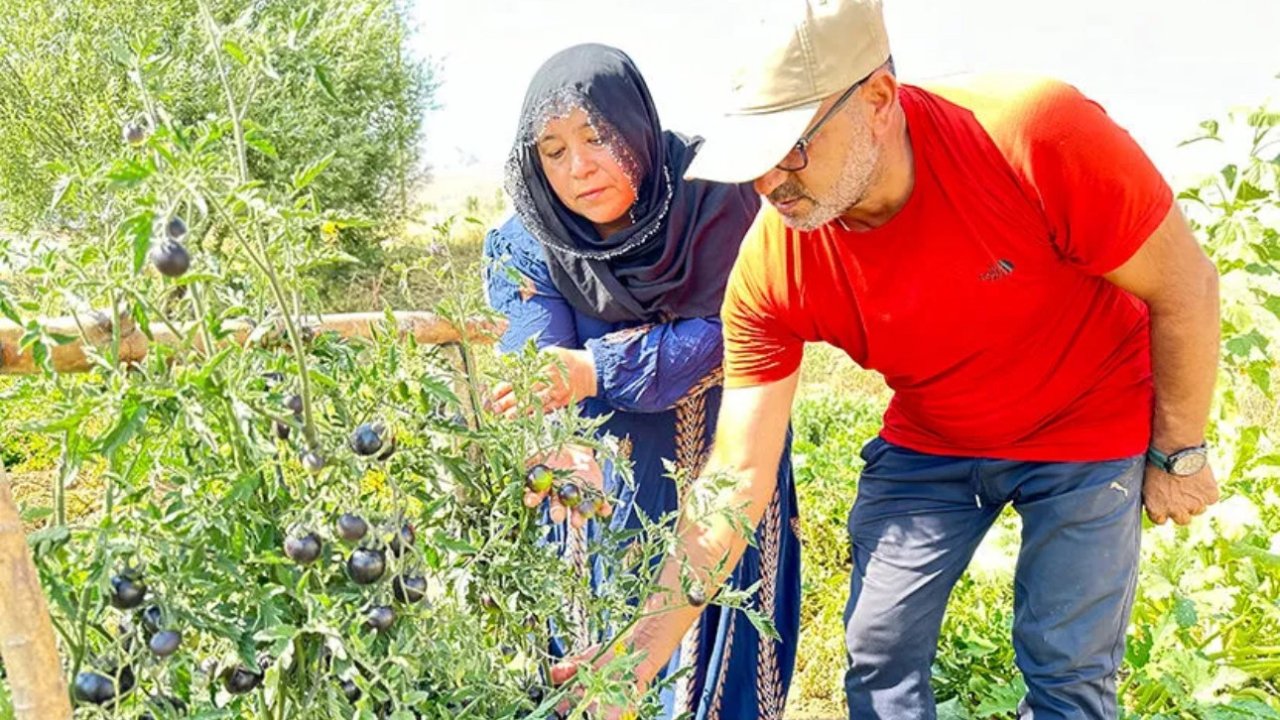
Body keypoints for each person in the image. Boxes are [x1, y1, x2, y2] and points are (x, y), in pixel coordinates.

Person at [552, 2, 1223, 719]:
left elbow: (1186, 286)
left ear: (876, 99)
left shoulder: (1032, 133)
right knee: (878, 653)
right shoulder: (775, 263)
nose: (772, 183)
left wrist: (1179, 451)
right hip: (936, 436)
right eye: (754, 159)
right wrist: (634, 660)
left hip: (1089, 424)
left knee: (1067, 668)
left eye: (792, 148)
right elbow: (736, 477)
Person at [482, 43, 801, 719]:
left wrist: (595, 368)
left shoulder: (722, 203)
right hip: (605, 490)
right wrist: (556, 439)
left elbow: (735, 333)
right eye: (553, 151)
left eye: (596, 137)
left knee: (722, 665)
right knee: (603, 666)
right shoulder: (533, 237)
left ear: (635, 127)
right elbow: (534, 355)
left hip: (727, 475)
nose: (578, 168)